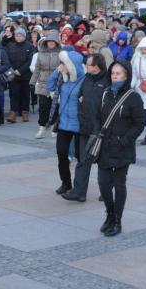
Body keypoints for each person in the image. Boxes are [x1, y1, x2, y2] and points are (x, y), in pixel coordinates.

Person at [97, 61, 144, 236]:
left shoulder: (133, 97)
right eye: (113, 73)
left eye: (118, 73)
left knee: (119, 183)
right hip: (105, 146)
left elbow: (139, 124)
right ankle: (109, 214)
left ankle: (117, 220)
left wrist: (124, 140)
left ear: (126, 75)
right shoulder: (106, 94)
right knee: (103, 183)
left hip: (123, 148)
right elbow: (98, 117)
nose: (114, 76)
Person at [63, 54, 109, 202]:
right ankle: (79, 192)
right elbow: (80, 95)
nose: (86, 67)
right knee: (83, 160)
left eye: (88, 65)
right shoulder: (87, 78)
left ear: (97, 66)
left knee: (104, 161)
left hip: (101, 128)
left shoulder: (107, 80)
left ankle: (107, 191)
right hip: (85, 126)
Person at [46, 50, 85, 195]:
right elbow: (49, 87)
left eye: (64, 64)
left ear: (72, 65)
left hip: (79, 125)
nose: (62, 66)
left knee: (81, 158)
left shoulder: (84, 80)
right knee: (62, 154)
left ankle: (80, 187)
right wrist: (57, 72)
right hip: (64, 124)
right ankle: (66, 183)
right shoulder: (64, 78)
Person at [30, 32, 61, 138]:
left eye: (53, 42)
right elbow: (37, 69)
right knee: (43, 106)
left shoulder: (61, 54)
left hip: (56, 83)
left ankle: (54, 127)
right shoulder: (40, 54)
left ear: (56, 43)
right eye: (49, 42)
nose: (51, 44)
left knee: (55, 106)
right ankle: (42, 127)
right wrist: (32, 82)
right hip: (42, 83)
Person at [6, 28, 36, 123]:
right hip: (14, 75)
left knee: (26, 94)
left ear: (24, 36)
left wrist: (20, 70)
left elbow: (30, 61)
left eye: (20, 36)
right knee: (14, 94)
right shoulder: (11, 46)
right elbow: (7, 60)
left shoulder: (30, 46)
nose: (18, 37)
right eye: (17, 35)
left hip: (26, 75)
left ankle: (25, 112)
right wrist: (13, 70)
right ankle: (13, 112)